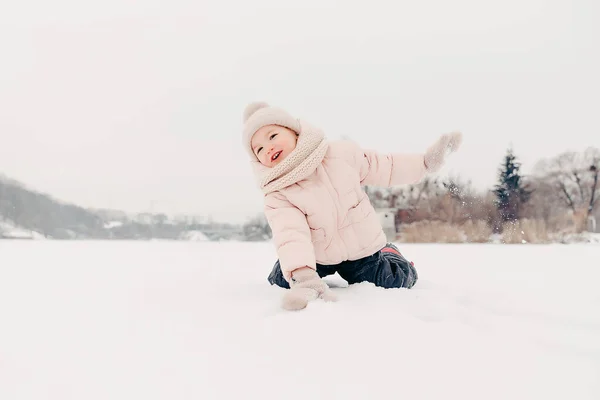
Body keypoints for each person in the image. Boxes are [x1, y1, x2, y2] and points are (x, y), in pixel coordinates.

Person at [242, 101, 462, 310]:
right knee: (281, 280)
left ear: (294, 131)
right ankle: (300, 269)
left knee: (392, 279)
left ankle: (390, 253)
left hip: (360, 249)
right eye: (259, 149)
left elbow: (385, 167)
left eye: (272, 136)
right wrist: (304, 275)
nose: (268, 148)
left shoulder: (340, 154)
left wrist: (423, 163)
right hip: (317, 255)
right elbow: (290, 233)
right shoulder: (277, 193)